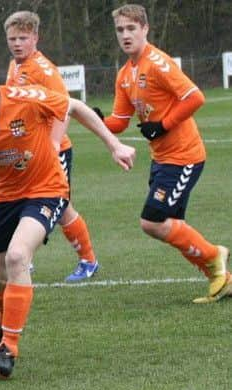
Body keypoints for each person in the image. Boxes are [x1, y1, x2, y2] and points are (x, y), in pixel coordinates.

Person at [0, 37, 135, 379]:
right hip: (6, 195)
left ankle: (7, 349)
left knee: (19, 257)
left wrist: (114, 144)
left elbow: (73, 107)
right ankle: (5, 323)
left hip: (48, 187)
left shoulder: (25, 98)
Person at [95, 4, 231, 304]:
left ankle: (215, 257)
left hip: (184, 156)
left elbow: (195, 97)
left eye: (132, 28)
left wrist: (163, 125)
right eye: (120, 30)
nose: (126, 35)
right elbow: (118, 122)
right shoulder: (125, 74)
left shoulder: (158, 62)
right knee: (169, 224)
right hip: (162, 159)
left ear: (145, 29)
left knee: (152, 220)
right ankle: (219, 279)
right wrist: (94, 120)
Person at [4, 11, 100, 283]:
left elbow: (64, 109)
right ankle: (31, 258)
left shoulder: (45, 70)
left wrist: (53, 145)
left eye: (23, 38)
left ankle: (86, 260)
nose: (17, 43)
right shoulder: (15, 66)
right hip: (29, 151)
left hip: (52, 151)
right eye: (12, 38)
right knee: (39, 203)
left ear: (35, 37)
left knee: (57, 206)